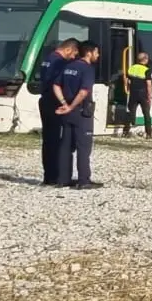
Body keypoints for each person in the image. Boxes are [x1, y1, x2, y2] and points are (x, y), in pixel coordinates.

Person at [52, 42, 102, 190]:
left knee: (66, 145)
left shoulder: (68, 66)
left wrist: (64, 103)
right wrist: (72, 106)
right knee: (83, 147)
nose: (98, 55)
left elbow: (56, 85)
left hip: (66, 112)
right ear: (89, 53)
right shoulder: (87, 69)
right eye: (96, 52)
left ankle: (63, 179)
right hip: (81, 112)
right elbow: (83, 92)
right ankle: (83, 180)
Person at [37, 38, 80, 186]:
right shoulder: (60, 62)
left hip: (44, 100)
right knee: (58, 139)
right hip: (54, 103)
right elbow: (59, 83)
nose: (74, 57)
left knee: (48, 140)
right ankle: (58, 175)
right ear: (68, 49)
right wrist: (65, 102)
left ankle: (48, 176)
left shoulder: (47, 59)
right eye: (74, 54)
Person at [122, 52, 152, 138]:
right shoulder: (147, 70)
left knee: (130, 112)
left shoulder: (132, 68)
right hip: (143, 94)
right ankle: (149, 134)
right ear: (145, 59)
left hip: (133, 93)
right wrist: (149, 96)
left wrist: (127, 87)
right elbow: (149, 84)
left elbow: (126, 79)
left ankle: (125, 132)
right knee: (146, 114)